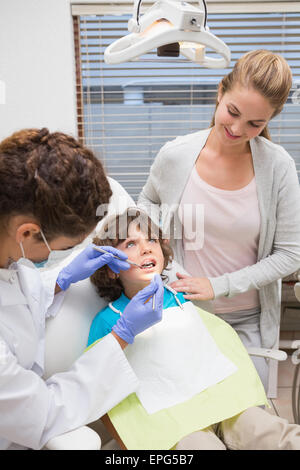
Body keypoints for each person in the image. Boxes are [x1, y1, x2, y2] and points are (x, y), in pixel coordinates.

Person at [138, 50, 300, 391]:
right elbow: (149, 202)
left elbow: (290, 254)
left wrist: (219, 284)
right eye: (233, 112)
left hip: (248, 321)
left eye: (255, 124)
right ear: (220, 92)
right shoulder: (176, 154)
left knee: (248, 420)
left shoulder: (278, 167)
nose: (238, 129)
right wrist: (157, 246)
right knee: (192, 423)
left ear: (269, 120)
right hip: (183, 311)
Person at [0, 128, 164, 450]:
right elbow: (44, 413)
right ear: (28, 233)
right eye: (65, 248)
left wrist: (60, 281)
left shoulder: (12, 257)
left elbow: (15, 297)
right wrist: (121, 335)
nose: (59, 257)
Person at [87, 208, 300, 450]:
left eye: (152, 240)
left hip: (223, 400)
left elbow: (218, 350)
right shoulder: (108, 322)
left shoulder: (182, 302)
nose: (146, 248)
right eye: (130, 244)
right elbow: (101, 389)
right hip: (171, 420)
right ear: (112, 268)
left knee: (269, 431)